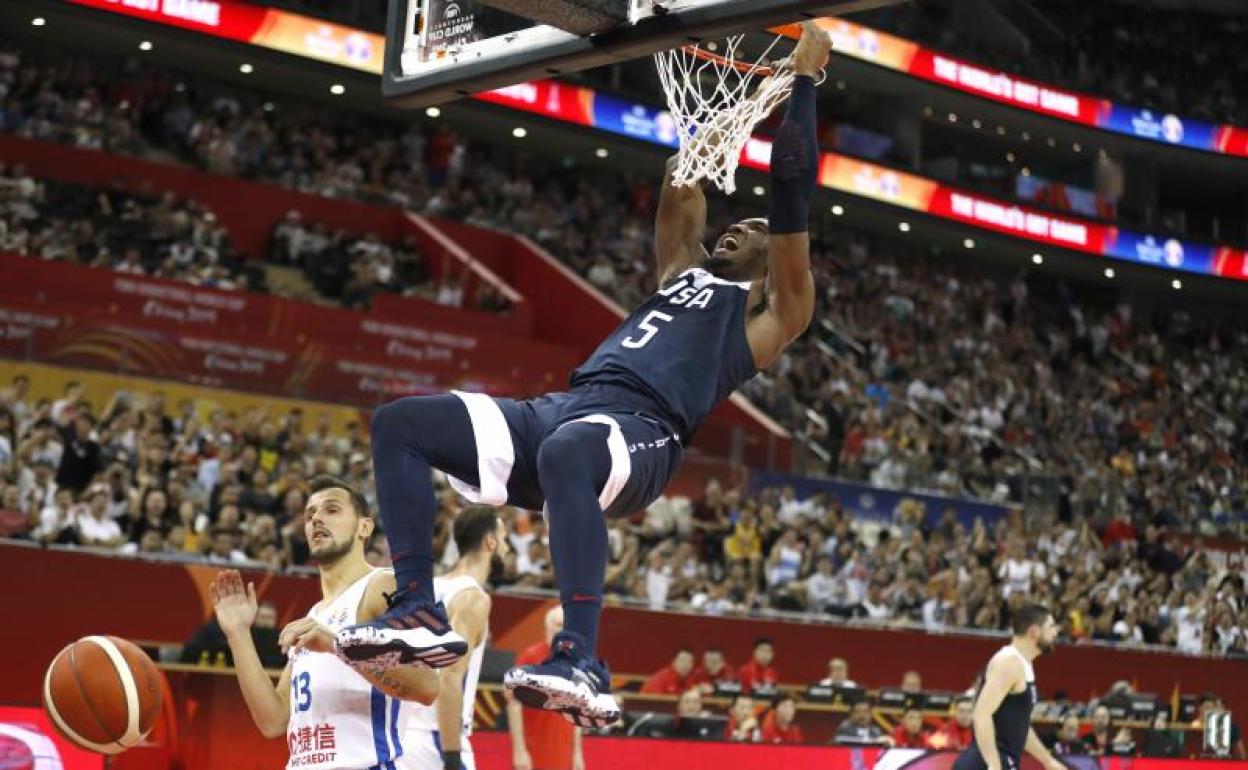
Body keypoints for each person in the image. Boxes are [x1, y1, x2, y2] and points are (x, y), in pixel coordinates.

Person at [338, 22, 831, 729]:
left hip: (643, 434)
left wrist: (804, 86)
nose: (738, 228)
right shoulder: (681, 272)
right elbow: (682, 181)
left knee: (571, 450)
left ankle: (580, 658)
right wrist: (725, 102)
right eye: (738, 223)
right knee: (402, 424)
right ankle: (417, 605)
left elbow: (788, 195)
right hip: (566, 408)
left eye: (751, 228)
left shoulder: (776, 311)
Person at [210, 476, 439, 770]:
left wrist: (336, 644)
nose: (317, 518)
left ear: (364, 527)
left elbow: (428, 686)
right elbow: (273, 720)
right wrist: (238, 634)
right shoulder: (314, 616)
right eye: (310, 514)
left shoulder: (382, 585)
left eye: (332, 510)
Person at [404, 506, 508, 770]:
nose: (507, 549)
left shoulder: (429, 587)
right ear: (490, 542)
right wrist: (452, 757)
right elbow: (450, 677)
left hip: (402, 731)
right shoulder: (473, 598)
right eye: (505, 540)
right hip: (437, 736)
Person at [954, 603, 1063, 770]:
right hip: (982, 763)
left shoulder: (1023, 664)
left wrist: (1047, 761)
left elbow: (1019, 727)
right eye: (1051, 626)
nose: (1055, 632)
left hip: (1002, 761)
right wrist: (993, 763)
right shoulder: (1009, 662)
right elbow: (981, 713)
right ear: (1034, 632)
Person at [507, 607, 585, 770]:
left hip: (563, 748)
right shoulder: (530, 658)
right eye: (558, 625)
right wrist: (519, 751)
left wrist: (577, 752)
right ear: (547, 627)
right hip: (535, 746)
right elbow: (514, 706)